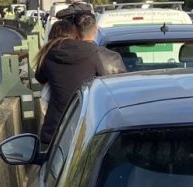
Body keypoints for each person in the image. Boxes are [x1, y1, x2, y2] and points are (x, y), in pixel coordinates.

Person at [35, 4, 125, 145]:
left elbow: (40, 78)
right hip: (90, 128)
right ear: (96, 30)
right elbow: (105, 84)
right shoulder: (100, 55)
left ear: (75, 31)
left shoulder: (50, 53)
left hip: (55, 131)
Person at [35, 20, 78, 117]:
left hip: (56, 112)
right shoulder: (82, 52)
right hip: (80, 107)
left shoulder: (47, 54)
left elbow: (39, 77)